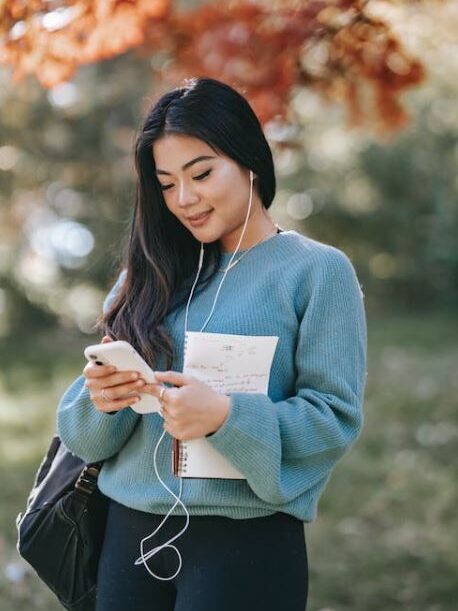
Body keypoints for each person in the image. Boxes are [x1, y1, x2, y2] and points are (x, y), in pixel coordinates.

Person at [57, 77, 367, 611]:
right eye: (166, 183)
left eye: (201, 174)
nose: (184, 199)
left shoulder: (317, 272)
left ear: (250, 159)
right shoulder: (148, 273)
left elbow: (332, 418)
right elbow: (86, 442)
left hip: (245, 545)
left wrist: (225, 417)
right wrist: (102, 398)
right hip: (127, 537)